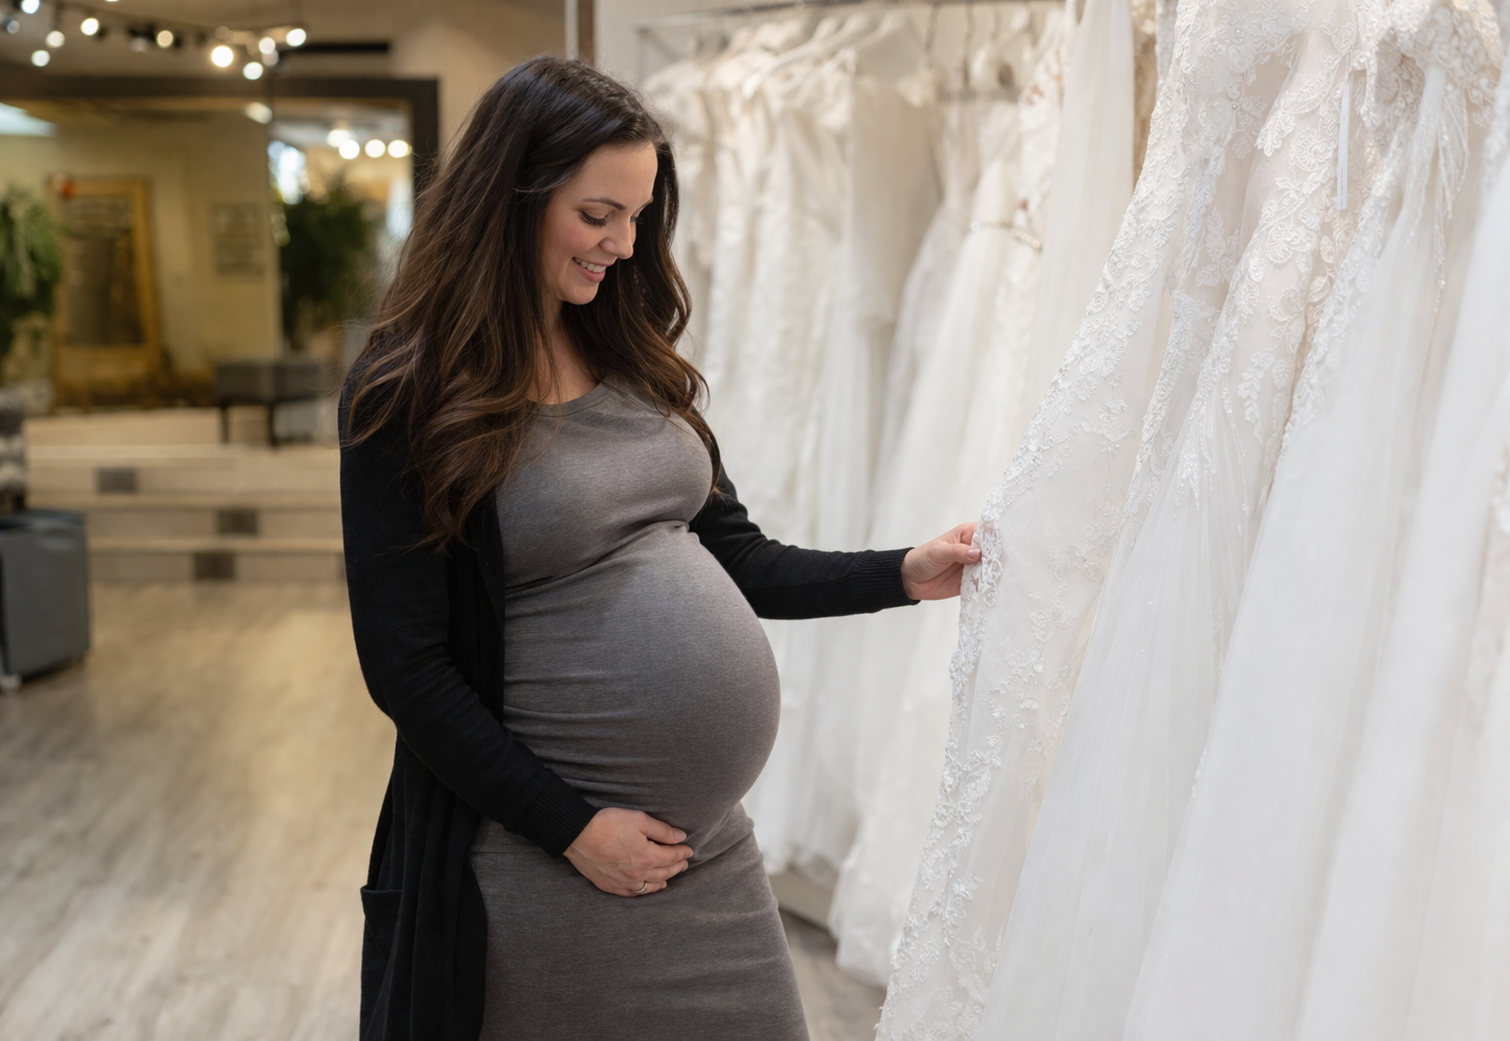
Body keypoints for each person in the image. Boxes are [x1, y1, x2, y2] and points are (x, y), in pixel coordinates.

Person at [340, 56, 979, 1041]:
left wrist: (900, 572)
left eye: (638, 216)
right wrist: (572, 828)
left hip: (705, 853)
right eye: (598, 214)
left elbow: (741, 558)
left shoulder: (623, 350)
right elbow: (406, 667)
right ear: (512, 197)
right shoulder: (408, 391)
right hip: (547, 857)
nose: (624, 244)